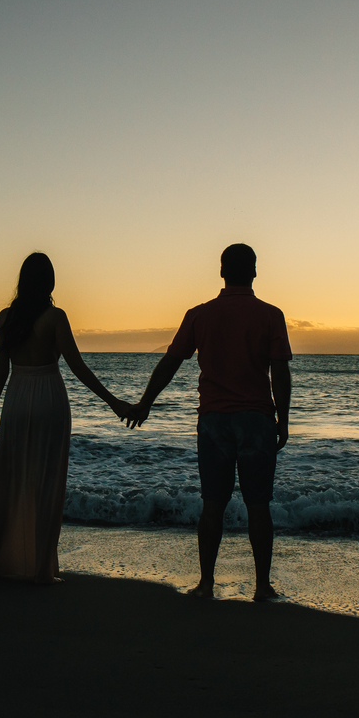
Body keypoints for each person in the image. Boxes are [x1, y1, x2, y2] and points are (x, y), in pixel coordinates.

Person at [126, 244, 292, 601]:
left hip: (213, 420)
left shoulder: (200, 315)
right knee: (258, 505)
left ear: (221, 272)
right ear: (255, 272)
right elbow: (280, 370)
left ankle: (206, 583)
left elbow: (170, 361)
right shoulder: (270, 315)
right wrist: (284, 417)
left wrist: (145, 402)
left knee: (213, 504)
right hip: (256, 419)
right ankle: (262, 586)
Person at [0, 252, 132, 583]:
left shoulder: (6, 317)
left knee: (11, 479)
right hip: (49, 398)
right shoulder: (55, 317)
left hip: (17, 399)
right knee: (47, 483)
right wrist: (113, 402)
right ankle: (40, 568)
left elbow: (0, 368)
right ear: (49, 282)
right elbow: (78, 367)